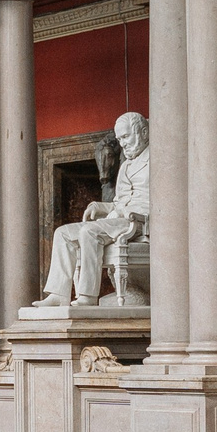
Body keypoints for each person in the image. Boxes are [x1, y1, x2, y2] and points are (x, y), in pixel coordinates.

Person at [36, 112, 149, 307]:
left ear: (144, 133)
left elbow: (164, 202)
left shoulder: (158, 161)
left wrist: (124, 212)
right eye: (120, 138)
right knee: (62, 233)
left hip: (139, 220)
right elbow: (120, 201)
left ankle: (87, 296)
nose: (122, 144)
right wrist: (100, 206)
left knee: (89, 231)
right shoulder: (125, 166)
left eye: (126, 136)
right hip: (119, 218)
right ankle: (58, 294)